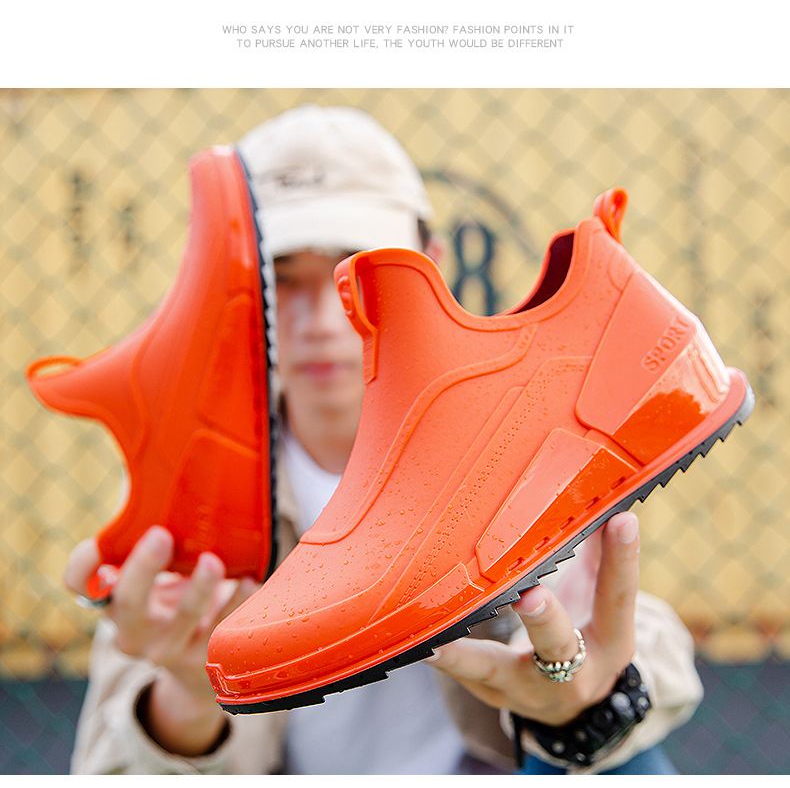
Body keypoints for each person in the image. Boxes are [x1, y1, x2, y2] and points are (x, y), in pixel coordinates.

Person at [63, 104, 703, 775]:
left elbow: (647, 645)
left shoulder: (502, 438)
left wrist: (587, 698)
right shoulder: (198, 489)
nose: (321, 320)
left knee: (610, 751)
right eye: (281, 277)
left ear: (434, 264)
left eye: (356, 272)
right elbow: (104, 767)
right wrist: (188, 698)